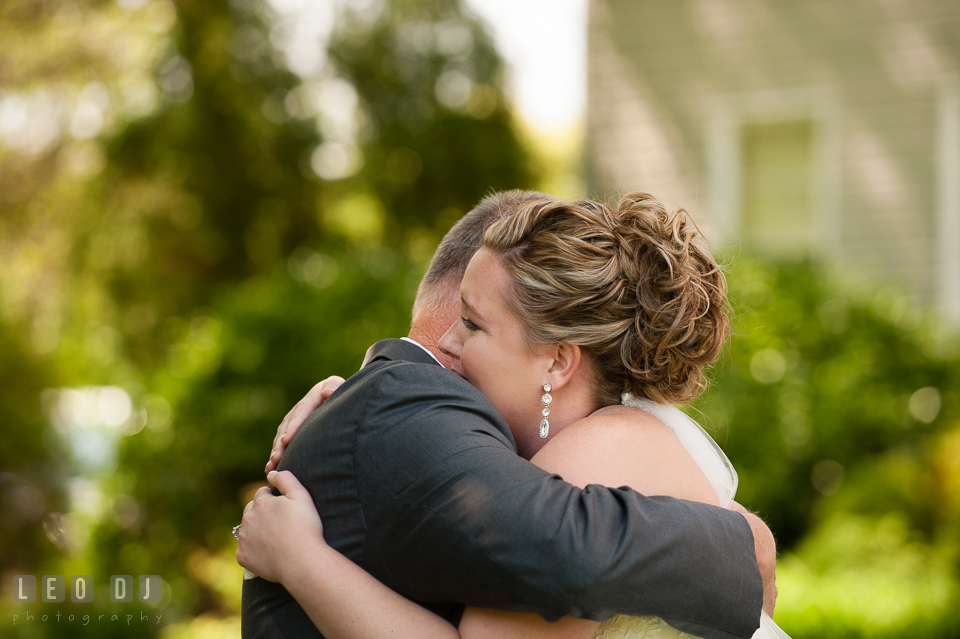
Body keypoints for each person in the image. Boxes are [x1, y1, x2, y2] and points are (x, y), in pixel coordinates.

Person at [238, 190, 773, 639]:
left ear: (558, 361)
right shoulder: (618, 436)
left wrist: (300, 558)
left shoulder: (594, 451)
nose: (448, 343)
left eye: (472, 323)